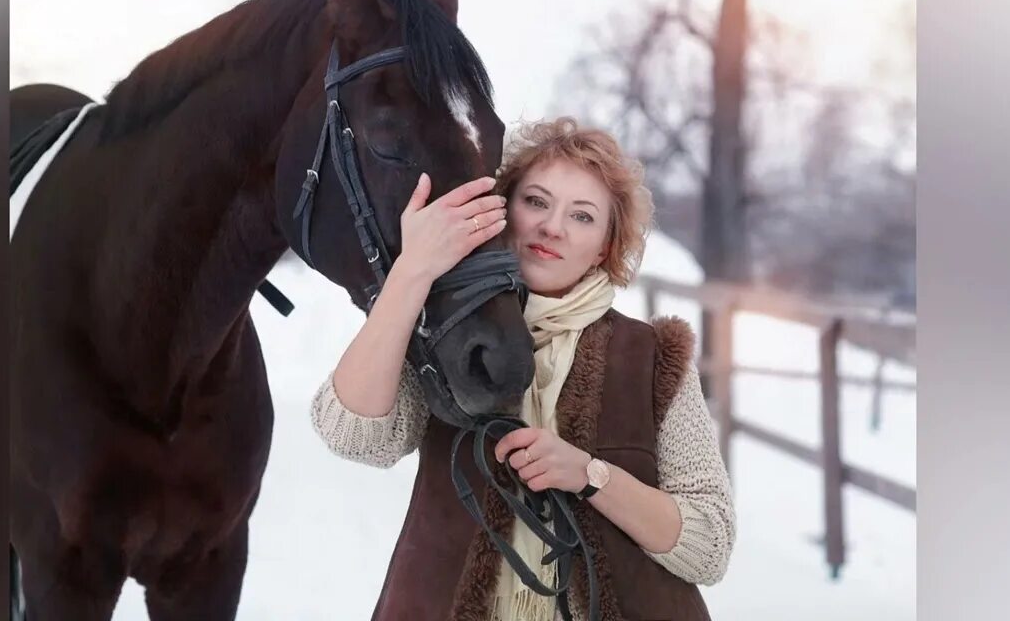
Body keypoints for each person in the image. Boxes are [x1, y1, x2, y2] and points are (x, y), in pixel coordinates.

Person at [311, 117, 735, 621]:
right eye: (536, 201)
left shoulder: (652, 357)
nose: (552, 227)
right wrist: (413, 271)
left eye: (582, 216)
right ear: (503, 209)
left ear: (605, 245)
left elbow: (709, 544)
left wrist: (590, 475)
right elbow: (354, 435)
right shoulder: (446, 330)